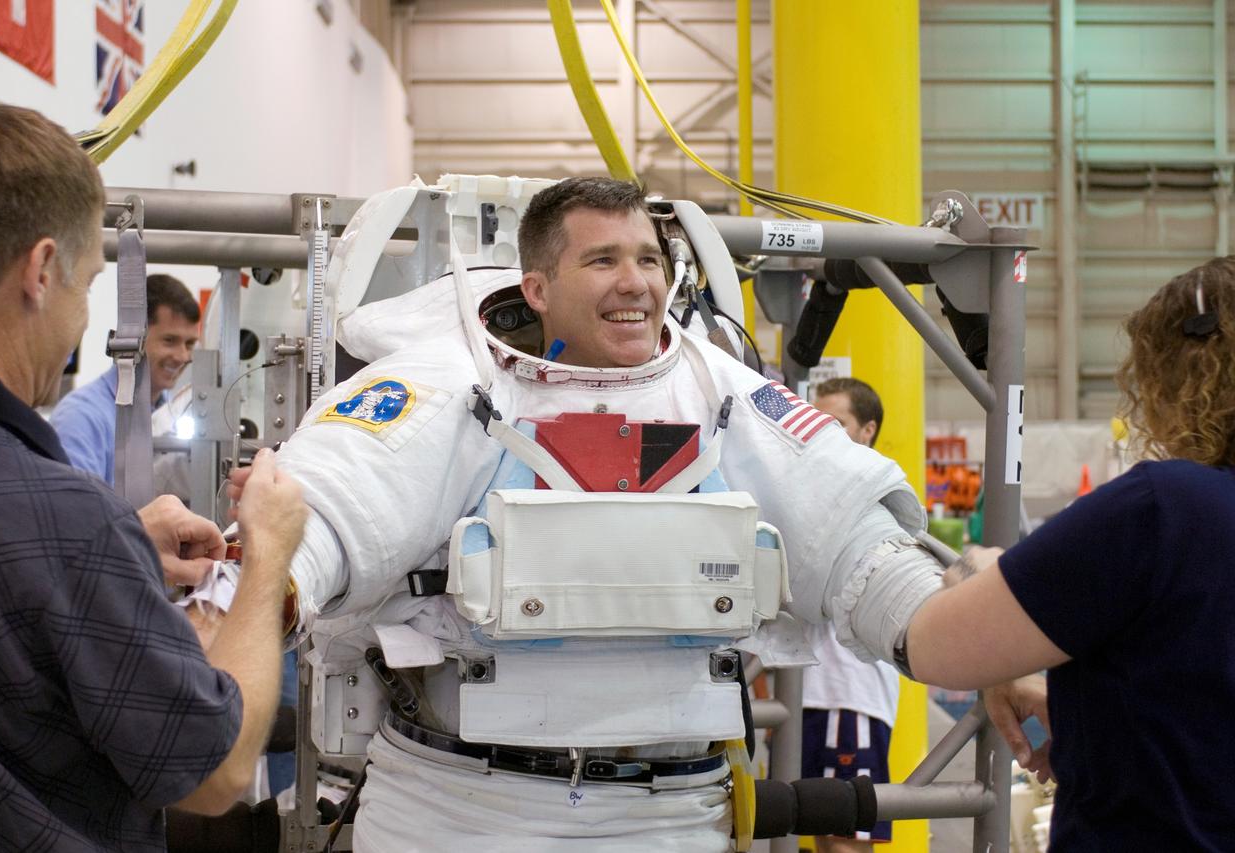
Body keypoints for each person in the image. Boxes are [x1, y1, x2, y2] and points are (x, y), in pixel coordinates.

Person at [251, 175, 970, 852]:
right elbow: (326, 517)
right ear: (536, 287)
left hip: (670, 817)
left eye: (649, 260)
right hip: (457, 813)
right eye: (603, 260)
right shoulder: (448, 383)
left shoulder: (719, 395)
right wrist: (257, 589)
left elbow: (857, 553)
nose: (636, 281)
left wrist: (975, 641)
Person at [0, 102, 307, 852]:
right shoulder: (64, 516)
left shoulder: (59, 522)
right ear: (42, 270)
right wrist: (268, 557)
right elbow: (214, 774)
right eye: (87, 286)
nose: (83, 321)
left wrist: (123, 550)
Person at [908, 256, 1235, 850]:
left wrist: (977, 574)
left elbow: (935, 646)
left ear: (1172, 378)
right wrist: (1095, 716)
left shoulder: (1161, 508)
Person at [803, 377, 898, 852]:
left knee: (846, 841)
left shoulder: (880, 500)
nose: (825, 434)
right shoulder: (815, 492)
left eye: (837, 424)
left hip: (849, 695)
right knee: (822, 836)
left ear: (868, 430)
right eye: (818, 421)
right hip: (812, 693)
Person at [50, 273, 200, 485]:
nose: (183, 356)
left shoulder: (172, 415)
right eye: (169, 341)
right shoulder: (80, 418)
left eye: (190, 344)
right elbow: (76, 512)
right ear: (132, 338)